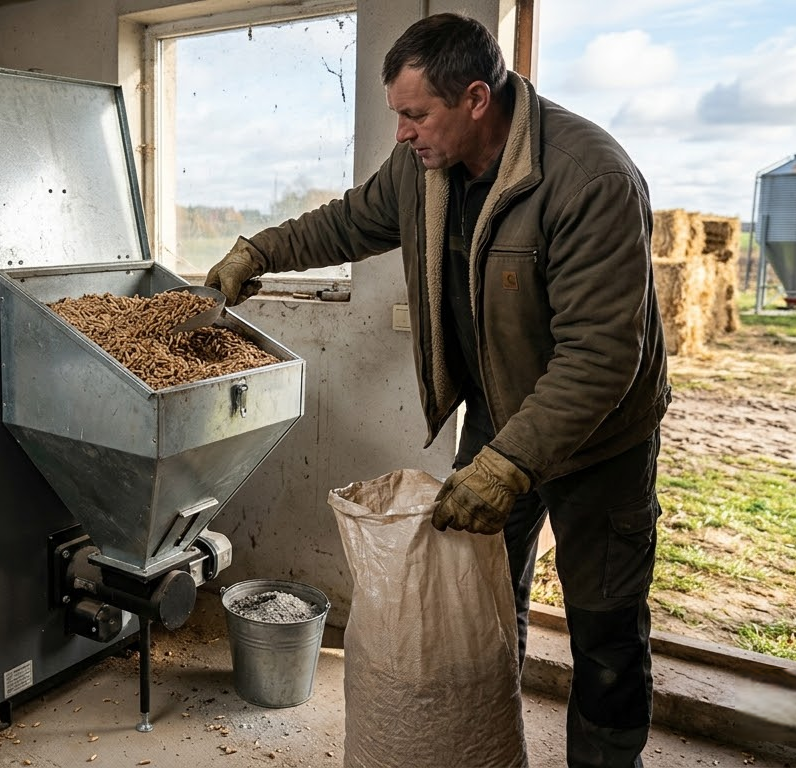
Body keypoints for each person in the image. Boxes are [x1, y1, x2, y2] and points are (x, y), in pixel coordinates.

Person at [205, 12, 669, 768]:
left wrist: (505, 466)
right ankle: (486, 743)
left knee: (606, 628)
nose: (402, 133)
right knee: (483, 601)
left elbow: (603, 356)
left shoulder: (590, 178)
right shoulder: (425, 166)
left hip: (601, 436)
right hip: (499, 414)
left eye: (415, 114)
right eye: (398, 114)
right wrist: (259, 250)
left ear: (477, 99)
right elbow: (350, 222)